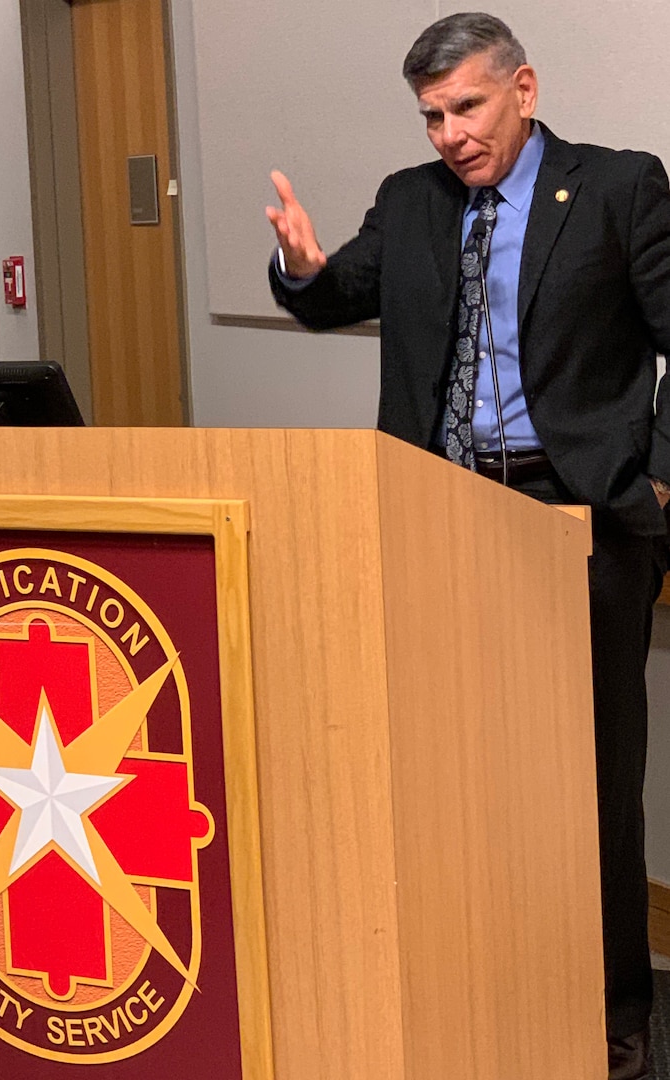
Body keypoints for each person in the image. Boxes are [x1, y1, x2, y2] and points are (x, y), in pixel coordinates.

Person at [267, 13, 670, 1080]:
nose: (448, 133)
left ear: (523, 89)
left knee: (590, 783)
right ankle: (476, 985)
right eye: (432, 115)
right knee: (453, 772)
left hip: (575, 522)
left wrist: (652, 476)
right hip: (433, 517)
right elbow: (333, 294)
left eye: (466, 107)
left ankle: (613, 1017)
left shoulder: (619, 187)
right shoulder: (409, 202)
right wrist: (301, 267)